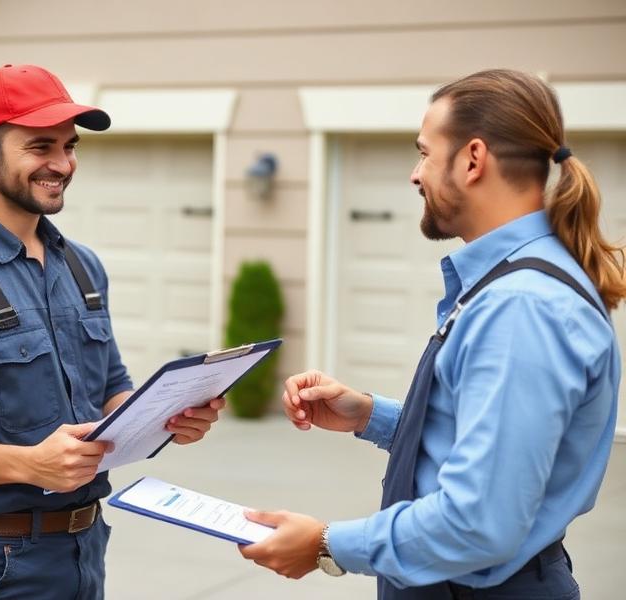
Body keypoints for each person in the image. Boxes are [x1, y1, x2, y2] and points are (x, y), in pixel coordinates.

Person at [239, 69, 624, 599]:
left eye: (424, 152)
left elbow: (478, 519)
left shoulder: (521, 307)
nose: (415, 174)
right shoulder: (514, 283)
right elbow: (492, 448)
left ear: (472, 159)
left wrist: (326, 543)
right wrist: (373, 416)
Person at [0, 64, 224, 600]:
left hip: (86, 549)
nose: (62, 164)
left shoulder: (82, 267)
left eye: (70, 146)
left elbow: (109, 392)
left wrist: (168, 415)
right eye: (40, 146)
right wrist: (28, 463)